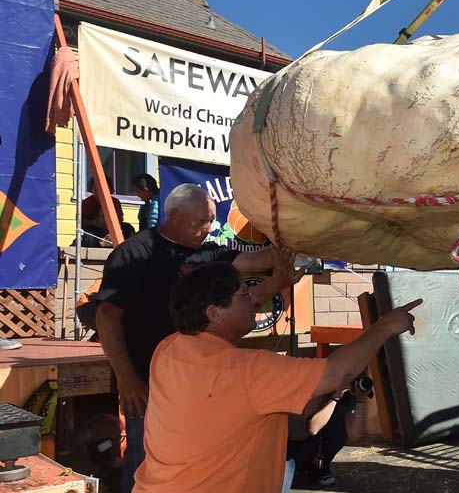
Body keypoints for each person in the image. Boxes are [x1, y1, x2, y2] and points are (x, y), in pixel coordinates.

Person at [133, 260, 422, 492]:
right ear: (214, 313)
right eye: (243, 295)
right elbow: (337, 373)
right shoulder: (246, 370)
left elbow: (245, 306)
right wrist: (384, 326)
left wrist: (278, 282)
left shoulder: (169, 348)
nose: (253, 301)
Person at [95, 183, 281, 493]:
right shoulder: (135, 253)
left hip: (201, 382)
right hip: (147, 383)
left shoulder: (209, 253)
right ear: (175, 215)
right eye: (201, 221)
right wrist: (126, 378)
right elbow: (107, 316)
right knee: (145, 459)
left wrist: (295, 245)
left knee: (195, 458)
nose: (208, 229)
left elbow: (257, 261)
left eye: (211, 220)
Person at [285, 379, 370, 487]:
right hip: (293, 448)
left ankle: (320, 469)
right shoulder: (317, 390)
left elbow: (354, 435)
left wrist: (361, 401)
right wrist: (335, 397)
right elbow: (313, 428)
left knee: (339, 428)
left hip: (314, 451)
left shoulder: (347, 398)